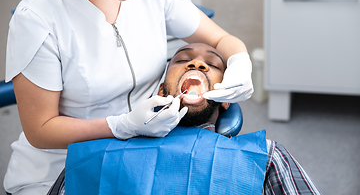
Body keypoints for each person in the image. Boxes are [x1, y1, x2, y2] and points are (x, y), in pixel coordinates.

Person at [4, 0, 254, 194]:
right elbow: (40, 130)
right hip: (63, 166)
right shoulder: (38, 18)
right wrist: (121, 125)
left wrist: (239, 58)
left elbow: (221, 39)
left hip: (143, 153)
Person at [48, 43, 322, 195]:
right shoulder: (94, 155)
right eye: (182, 60)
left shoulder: (266, 159)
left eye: (213, 65)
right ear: (160, 90)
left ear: (227, 97)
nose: (197, 64)